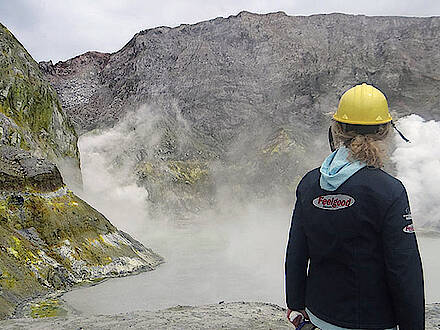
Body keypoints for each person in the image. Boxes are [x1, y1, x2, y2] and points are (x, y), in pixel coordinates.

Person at [284, 83, 425, 330]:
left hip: (320, 316)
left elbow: (296, 252)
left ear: (337, 129)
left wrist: (296, 303)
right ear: (385, 132)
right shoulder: (389, 191)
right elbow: (404, 270)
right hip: (374, 321)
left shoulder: (309, 183)